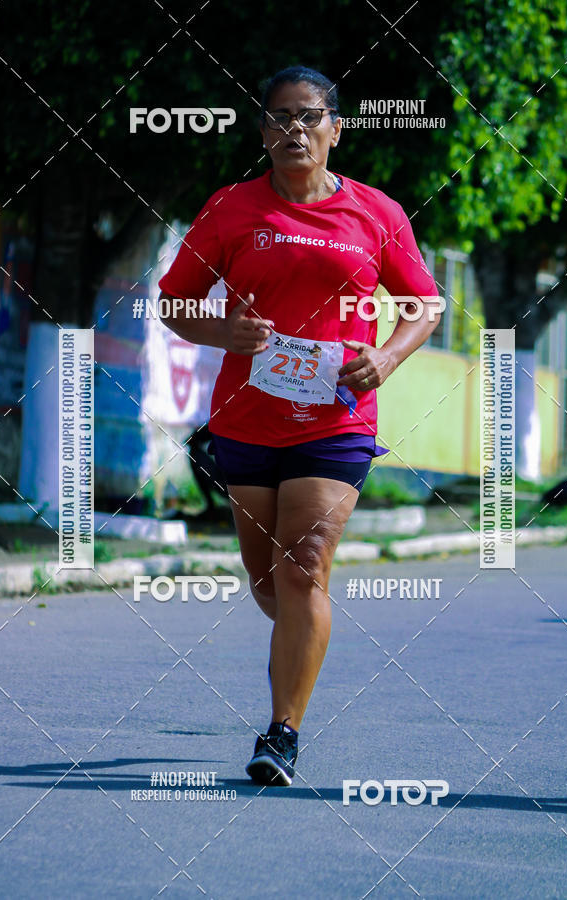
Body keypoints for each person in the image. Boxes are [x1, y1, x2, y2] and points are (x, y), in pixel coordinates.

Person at [158, 65, 441, 786]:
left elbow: (424, 304)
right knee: (268, 578)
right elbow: (172, 305)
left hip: (337, 420)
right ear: (262, 132)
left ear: (336, 128)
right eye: (279, 117)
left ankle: (281, 733)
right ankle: (296, 624)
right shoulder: (230, 210)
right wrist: (227, 333)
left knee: (302, 567)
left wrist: (387, 356)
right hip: (247, 422)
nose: (294, 130)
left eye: (309, 116)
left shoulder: (377, 214)